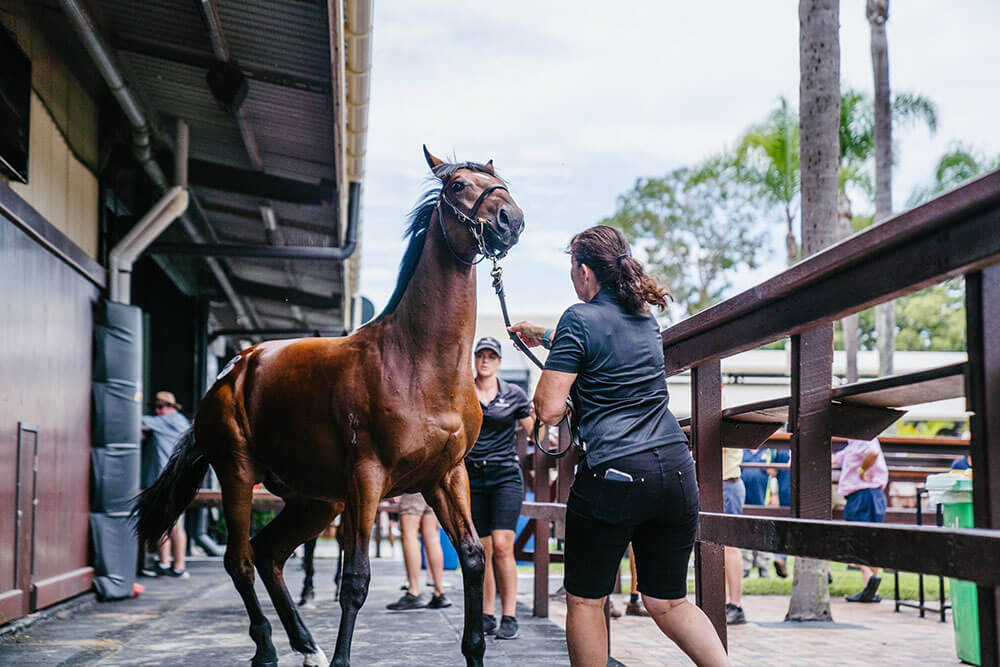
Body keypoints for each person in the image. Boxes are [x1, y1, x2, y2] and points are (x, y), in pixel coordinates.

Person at [510, 225, 729, 667]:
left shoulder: (579, 316)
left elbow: (550, 409)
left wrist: (556, 356)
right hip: (675, 470)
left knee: (587, 601)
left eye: (572, 268)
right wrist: (550, 337)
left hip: (615, 475)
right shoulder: (647, 319)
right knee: (667, 602)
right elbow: (610, 347)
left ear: (585, 272)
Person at [467, 336, 534, 639]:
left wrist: (554, 423)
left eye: (491, 356)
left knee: (504, 545)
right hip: (473, 478)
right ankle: (487, 614)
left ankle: (510, 615)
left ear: (498, 362)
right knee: (484, 549)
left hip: (506, 475)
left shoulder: (514, 394)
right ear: (475, 359)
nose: (485, 360)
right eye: (480, 355)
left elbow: (537, 432)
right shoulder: (463, 391)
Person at [140, 391, 191, 578]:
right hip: (175, 479)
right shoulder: (180, 423)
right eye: (156, 407)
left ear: (171, 408)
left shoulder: (168, 421)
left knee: (172, 523)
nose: (158, 411)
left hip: (169, 481)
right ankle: (168, 563)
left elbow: (136, 422)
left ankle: (175, 565)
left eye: (161, 407)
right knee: (168, 522)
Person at [832, 437, 888, 602]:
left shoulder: (864, 438)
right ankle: (870, 590)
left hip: (863, 495)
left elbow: (873, 452)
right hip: (870, 495)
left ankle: (869, 575)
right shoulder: (852, 445)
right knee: (869, 540)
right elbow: (835, 459)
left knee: (855, 539)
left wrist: (862, 471)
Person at [386, 493, 451, 610]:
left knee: (409, 534)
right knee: (431, 537)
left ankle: (414, 591)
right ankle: (439, 592)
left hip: (413, 486)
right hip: (432, 484)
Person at [721, 447, 746, 624]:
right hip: (714, 483)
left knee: (728, 546)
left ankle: (735, 605)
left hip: (726, 484)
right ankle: (722, 602)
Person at [739, 448, 772, 579]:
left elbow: (776, 473)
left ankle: (763, 567)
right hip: (744, 500)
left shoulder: (769, 450)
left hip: (763, 499)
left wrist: (774, 494)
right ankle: (745, 567)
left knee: (763, 533)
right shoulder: (742, 450)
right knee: (744, 531)